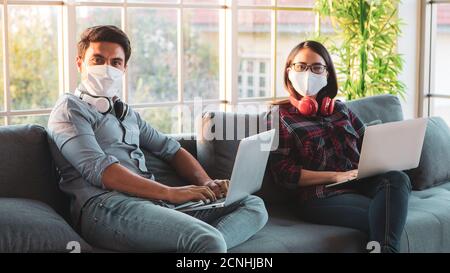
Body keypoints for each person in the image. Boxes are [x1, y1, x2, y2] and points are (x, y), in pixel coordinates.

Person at [47, 25, 268, 253]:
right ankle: (207, 245)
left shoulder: (126, 113)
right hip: (104, 207)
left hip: (153, 204)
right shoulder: (69, 110)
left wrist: (207, 182)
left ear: (124, 68)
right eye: (98, 60)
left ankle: (206, 246)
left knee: (252, 204)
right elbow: (101, 171)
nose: (107, 68)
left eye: (115, 63)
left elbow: (171, 149)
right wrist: (170, 192)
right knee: (207, 241)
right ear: (80, 63)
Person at [268, 40, 411, 253]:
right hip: (320, 195)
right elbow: (283, 173)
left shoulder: (340, 109)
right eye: (300, 66)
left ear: (327, 74)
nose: (308, 73)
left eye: (317, 67)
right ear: (289, 71)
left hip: (359, 181)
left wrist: (389, 156)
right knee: (384, 218)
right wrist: (335, 176)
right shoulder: (278, 117)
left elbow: (370, 141)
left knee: (398, 178)